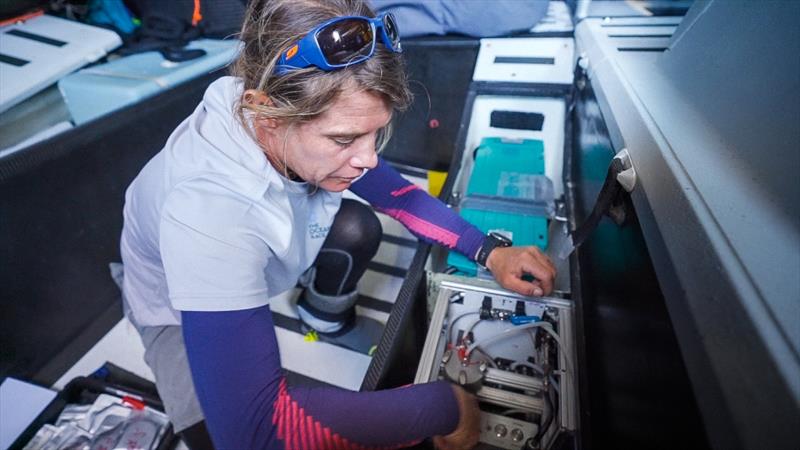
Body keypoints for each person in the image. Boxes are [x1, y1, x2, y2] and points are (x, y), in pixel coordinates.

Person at [119, 0, 557, 448]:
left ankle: (321, 315)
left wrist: (490, 251)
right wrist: (447, 406)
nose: (368, 159)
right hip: (172, 307)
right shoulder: (207, 213)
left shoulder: (269, 92)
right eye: (344, 139)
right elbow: (256, 433)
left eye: (375, 133)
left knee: (357, 227)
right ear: (266, 113)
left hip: (251, 235)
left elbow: (397, 194)